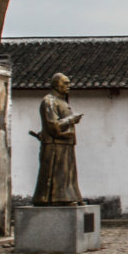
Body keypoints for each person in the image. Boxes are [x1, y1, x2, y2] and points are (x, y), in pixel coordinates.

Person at [32, 72, 84, 206]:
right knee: (56, 173)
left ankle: (68, 197)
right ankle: (57, 199)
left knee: (67, 174)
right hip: (55, 144)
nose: (68, 86)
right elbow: (53, 125)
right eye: (65, 83)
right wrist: (72, 119)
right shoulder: (49, 101)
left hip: (65, 143)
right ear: (56, 84)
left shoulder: (61, 102)